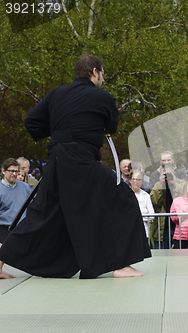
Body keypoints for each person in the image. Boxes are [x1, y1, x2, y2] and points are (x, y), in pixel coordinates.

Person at [0, 53, 150, 280]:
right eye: (103, 74)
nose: (103, 79)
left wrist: (60, 130)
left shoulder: (56, 94)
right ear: (95, 72)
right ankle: (121, 265)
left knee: (42, 213)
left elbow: (31, 122)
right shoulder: (102, 97)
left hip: (57, 159)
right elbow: (112, 126)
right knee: (122, 198)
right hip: (82, 160)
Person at [149, 164, 185, 249]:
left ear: (174, 173)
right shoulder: (158, 185)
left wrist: (175, 184)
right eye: (164, 174)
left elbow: (185, 199)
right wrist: (161, 184)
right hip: (162, 228)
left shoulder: (181, 183)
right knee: (161, 258)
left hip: (179, 228)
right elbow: (154, 201)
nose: (167, 176)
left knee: (180, 257)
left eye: (169, 173)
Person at [0, 159, 31, 246]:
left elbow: (31, 207)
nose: (14, 174)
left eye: (16, 171)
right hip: (4, 231)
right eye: (11, 171)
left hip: (23, 230)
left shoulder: (25, 187)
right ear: (3, 171)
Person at [129, 169, 154, 238]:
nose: (137, 182)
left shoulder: (146, 195)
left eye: (139, 180)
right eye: (134, 179)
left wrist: (136, 215)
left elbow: (152, 215)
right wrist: (145, 211)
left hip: (144, 232)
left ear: (142, 181)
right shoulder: (125, 195)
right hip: (130, 232)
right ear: (130, 180)